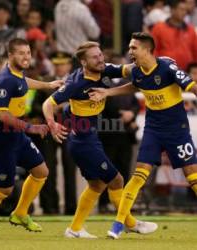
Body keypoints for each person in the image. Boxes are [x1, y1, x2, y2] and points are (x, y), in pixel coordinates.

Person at [42, 41, 157, 238]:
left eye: (101, 54)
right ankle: (130, 222)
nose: (101, 59)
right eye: (95, 57)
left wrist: (148, 60)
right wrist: (52, 124)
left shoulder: (105, 70)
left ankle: (75, 229)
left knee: (97, 185)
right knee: (117, 179)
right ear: (84, 62)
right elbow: (48, 103)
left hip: (89, 139)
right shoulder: (75, 83)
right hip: (82, 143)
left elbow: (128, 69)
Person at [89, 32, 197, 239]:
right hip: (153, 130)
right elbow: (135, 85)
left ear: (147, 50)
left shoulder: (168, 68)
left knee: (192, 176)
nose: (130, 52)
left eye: (133, 48)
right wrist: (107, 92)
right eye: (129, 48)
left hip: (177, 130)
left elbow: (192, 87)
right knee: (138, 175)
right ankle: (119, 224)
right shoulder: (137, 71)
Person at [0, 38, 63, 232]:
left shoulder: (17, 75)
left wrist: (48, 85)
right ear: (10, 55)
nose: (26, 57)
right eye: (21, 53)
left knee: (41, 172)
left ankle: (20, 213)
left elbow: (23, 83)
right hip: (2, 140)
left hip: (17, 137)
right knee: (5, 189)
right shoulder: (5, 80)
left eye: (28, 53)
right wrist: (30, 127)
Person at [29, 52, 77, 215]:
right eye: (57, 64)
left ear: (69, 65)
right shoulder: (45, 82)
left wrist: (65, 109)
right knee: (48, 168)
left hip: (69, 128)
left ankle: (71, 208)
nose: (60, 67)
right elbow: (34, 107)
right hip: (49, 129)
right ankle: (49, 206)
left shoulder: (76, 81)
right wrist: (50, 111)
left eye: (63, 64)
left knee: (70, 169)